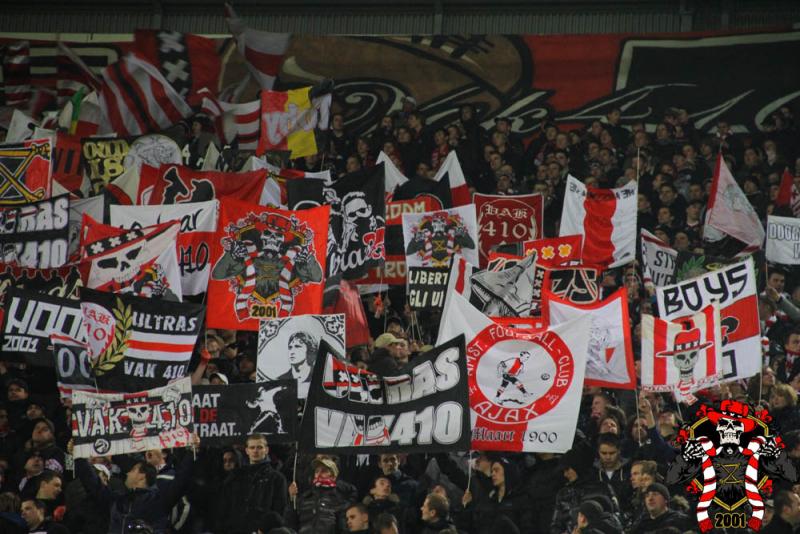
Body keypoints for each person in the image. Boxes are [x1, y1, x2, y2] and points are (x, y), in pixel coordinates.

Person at [73, 435, 199, 534]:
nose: (128, 473)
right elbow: (93, 484)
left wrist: (192, 451)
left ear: (142, 476)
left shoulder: (158, 501)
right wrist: (79, 455)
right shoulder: (118, 500)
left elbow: (181, 480)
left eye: (133, 470)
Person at [216, 433, 287, 534]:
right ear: (247, 450)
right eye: (252, 447)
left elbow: (279, 512)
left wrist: (263, 529)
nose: (255, 451)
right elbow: (224, 507)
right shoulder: (235, 476)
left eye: (259, 447)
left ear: (266, 450)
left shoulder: (277, 478)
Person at [285, 457, 350, 534]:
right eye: (317, 471)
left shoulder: (339, 501)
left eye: (324, 471)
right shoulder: (304, 498)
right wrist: (292, 499)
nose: (319, 474)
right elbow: (290, 523)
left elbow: (343, 529)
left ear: (333, 477)